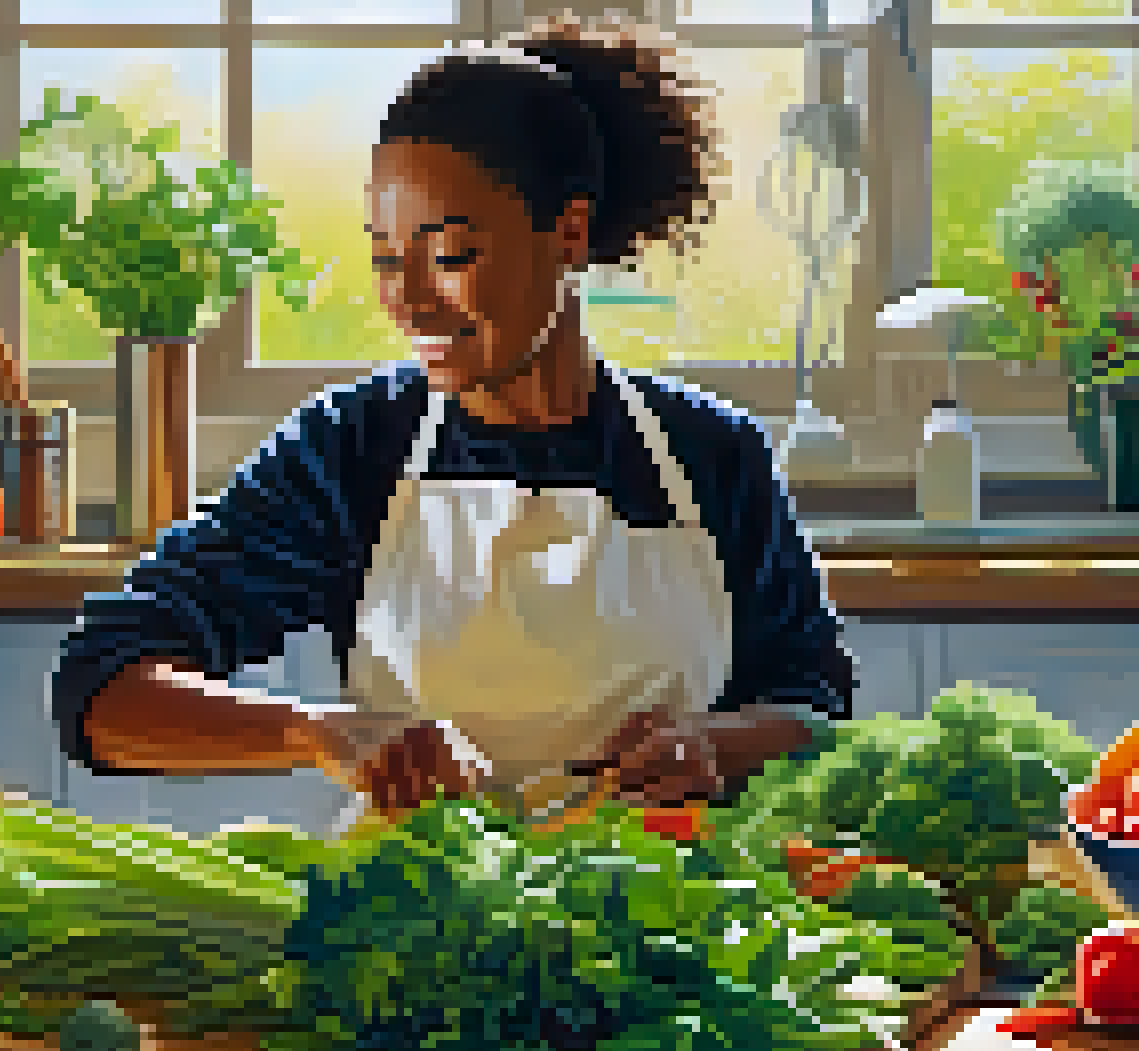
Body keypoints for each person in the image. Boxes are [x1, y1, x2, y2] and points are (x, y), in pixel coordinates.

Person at [52, 11, 856, 833]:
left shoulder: (710, 454)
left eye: (451, 256)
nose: (408, 299)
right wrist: (325, 731)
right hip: (412, 928)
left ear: (567, 234)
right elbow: (101, 685)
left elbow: (820, 711)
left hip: (663, 928)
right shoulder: (353, 449)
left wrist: (717, 747)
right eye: (386, 258)